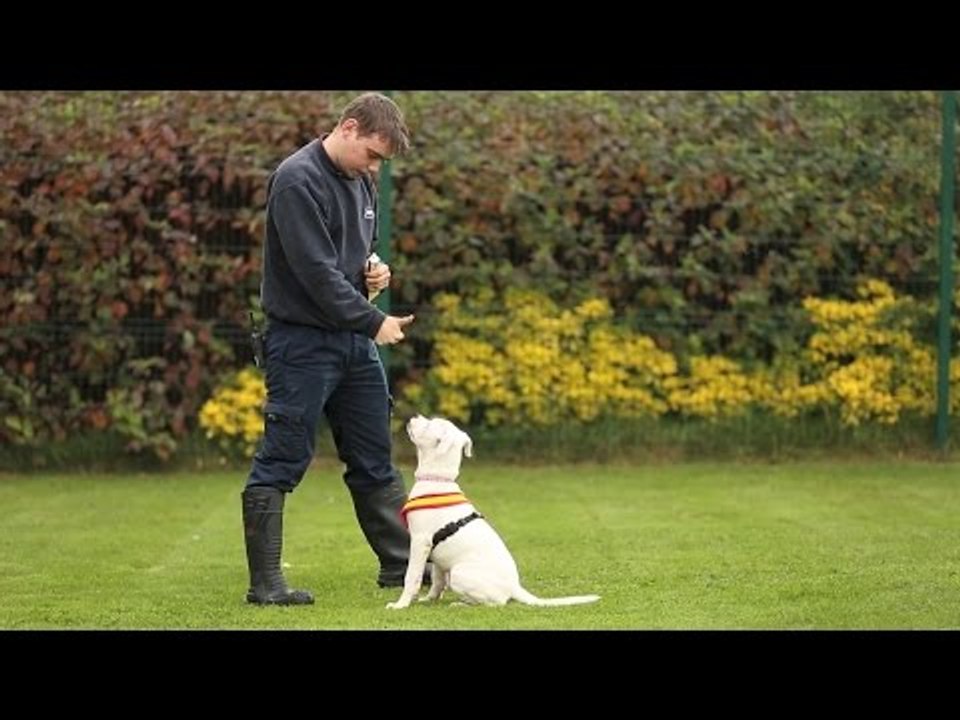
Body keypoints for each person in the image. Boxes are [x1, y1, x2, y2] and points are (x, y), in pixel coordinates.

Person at [241, 92, 418, 605]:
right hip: (300, 344)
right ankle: (267, 585)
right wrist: (373, 320)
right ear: (348, 127)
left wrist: (374, 271)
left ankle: (402, 570)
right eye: (373, 154)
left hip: (351, 345)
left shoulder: (360, 180)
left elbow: (353, 254)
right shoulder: (297, 180)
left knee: (374, 457)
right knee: (282, 457)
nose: (375, 167)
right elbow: (316, 274)